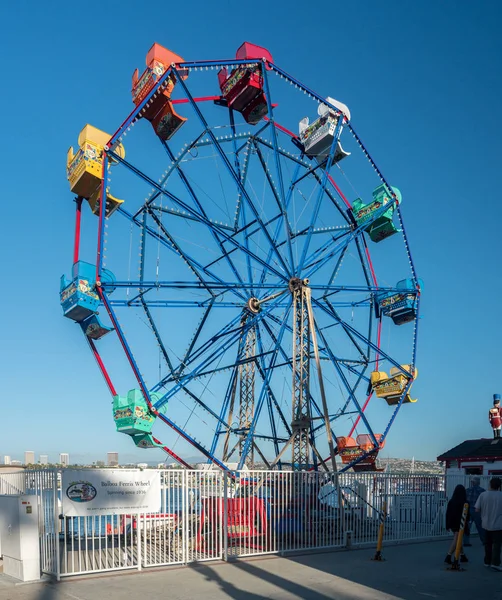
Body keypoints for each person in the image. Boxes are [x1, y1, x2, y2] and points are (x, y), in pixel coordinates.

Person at [475, 477, 502, 570]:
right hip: (498, 525)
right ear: (499, 486)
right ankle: (495, 563)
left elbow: (477, 509)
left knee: (487, 544)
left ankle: (487, 561)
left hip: (485, 524)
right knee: (497, 545)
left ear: (490, 484)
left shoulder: (483, 495)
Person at [444, 484, 469, 564]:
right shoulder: (465, 502)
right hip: (461, 523)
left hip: (452, 523)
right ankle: (448, 555)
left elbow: (448, 513)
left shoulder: (451, 501)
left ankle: (463, 555)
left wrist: (447, 525)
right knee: (457, 539)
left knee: (458, 539)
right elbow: (467, 515)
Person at [464, 476, 486, 546]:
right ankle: (484, 541)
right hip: (477, 511)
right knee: (480, 527)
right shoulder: (482, 491)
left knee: (467, 527)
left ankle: (466, 542)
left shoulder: (467, 490)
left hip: (468, 510)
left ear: (472, 482)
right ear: (479, 482)